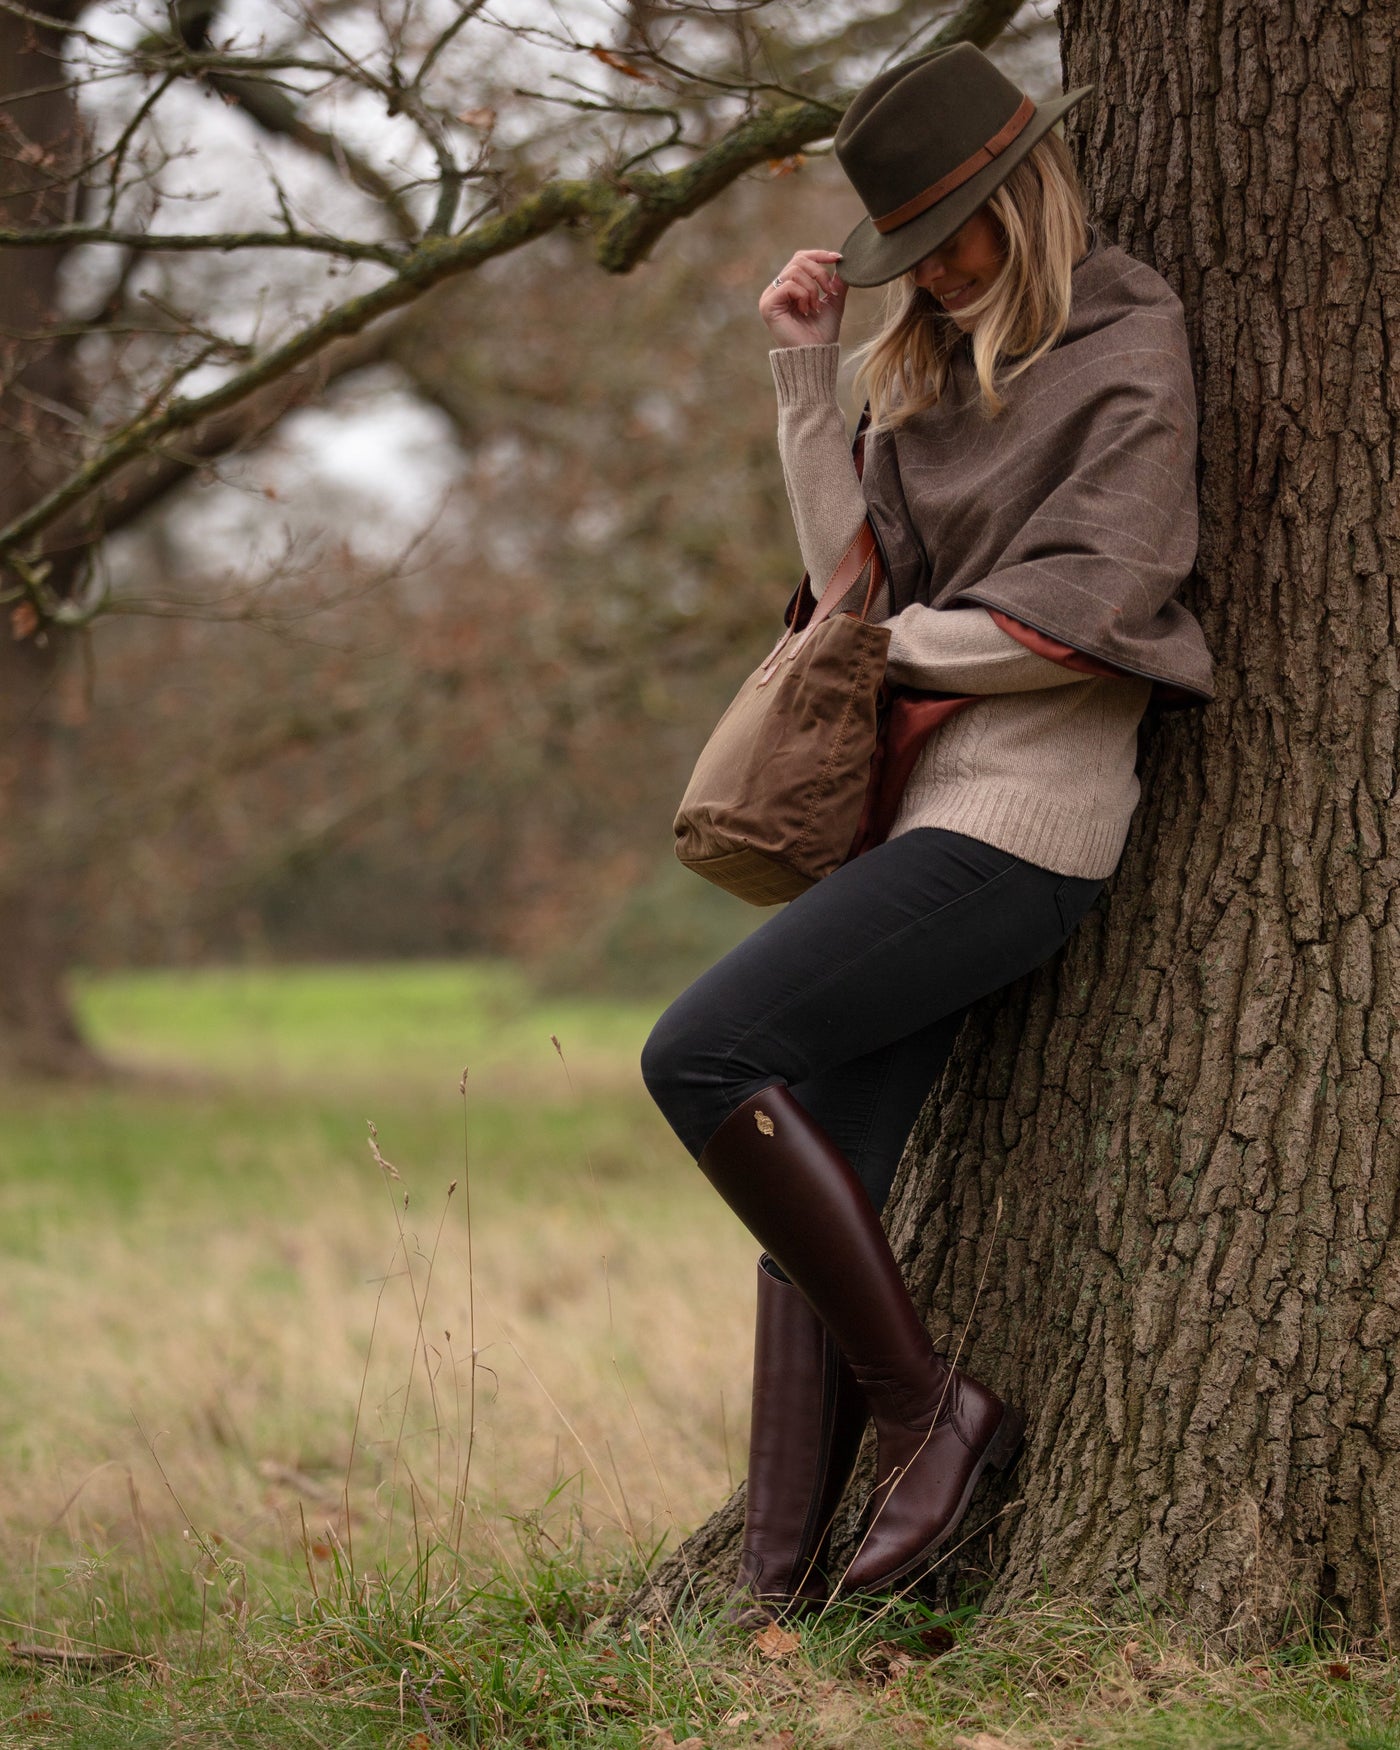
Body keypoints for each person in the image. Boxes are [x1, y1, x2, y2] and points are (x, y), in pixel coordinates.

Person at [641, 43, 1214, 1616]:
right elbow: (853, 588)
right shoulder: (932, 373)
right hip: (916, 821)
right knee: (821, 1169)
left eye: (949, 235)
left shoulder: (1128, 341)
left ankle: (933, 1413)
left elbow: (1090, 617)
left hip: (1024, 829)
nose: (937, 271)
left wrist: (877, 648)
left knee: (698, 1053)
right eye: (911, 247)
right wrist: (803, 383)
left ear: (1021, 196)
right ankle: (775, 1586)